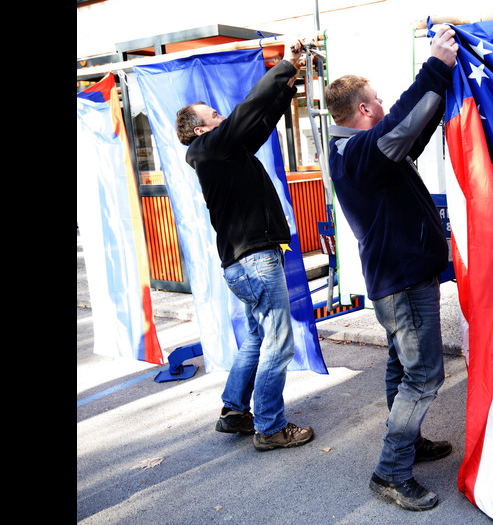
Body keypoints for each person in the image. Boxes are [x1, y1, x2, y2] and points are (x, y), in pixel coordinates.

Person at [323, 26, 458, 511]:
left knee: (403, 366)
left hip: (396, 279)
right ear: (364, 110)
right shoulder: (359, 152)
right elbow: (400, 124)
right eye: (376, 100)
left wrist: (442, 90)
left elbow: (410, 133)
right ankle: (390, 471)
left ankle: (410, 444)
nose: (382, 105)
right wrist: (435, 68)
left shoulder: (363, 154)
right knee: (423, 375)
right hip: (401, 283)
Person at [175, 39, 315, 452]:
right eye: (214, 115)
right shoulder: (210, 148)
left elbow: (258, 121)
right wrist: (285, 64)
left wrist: (290, 80)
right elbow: (247, 113)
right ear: (200, 129)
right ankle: (270, 428)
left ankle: (234, 410)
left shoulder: (222, 153)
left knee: (257, 337)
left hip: (241, 264)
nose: (222, 117)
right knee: (276, 341)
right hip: (254, 262)